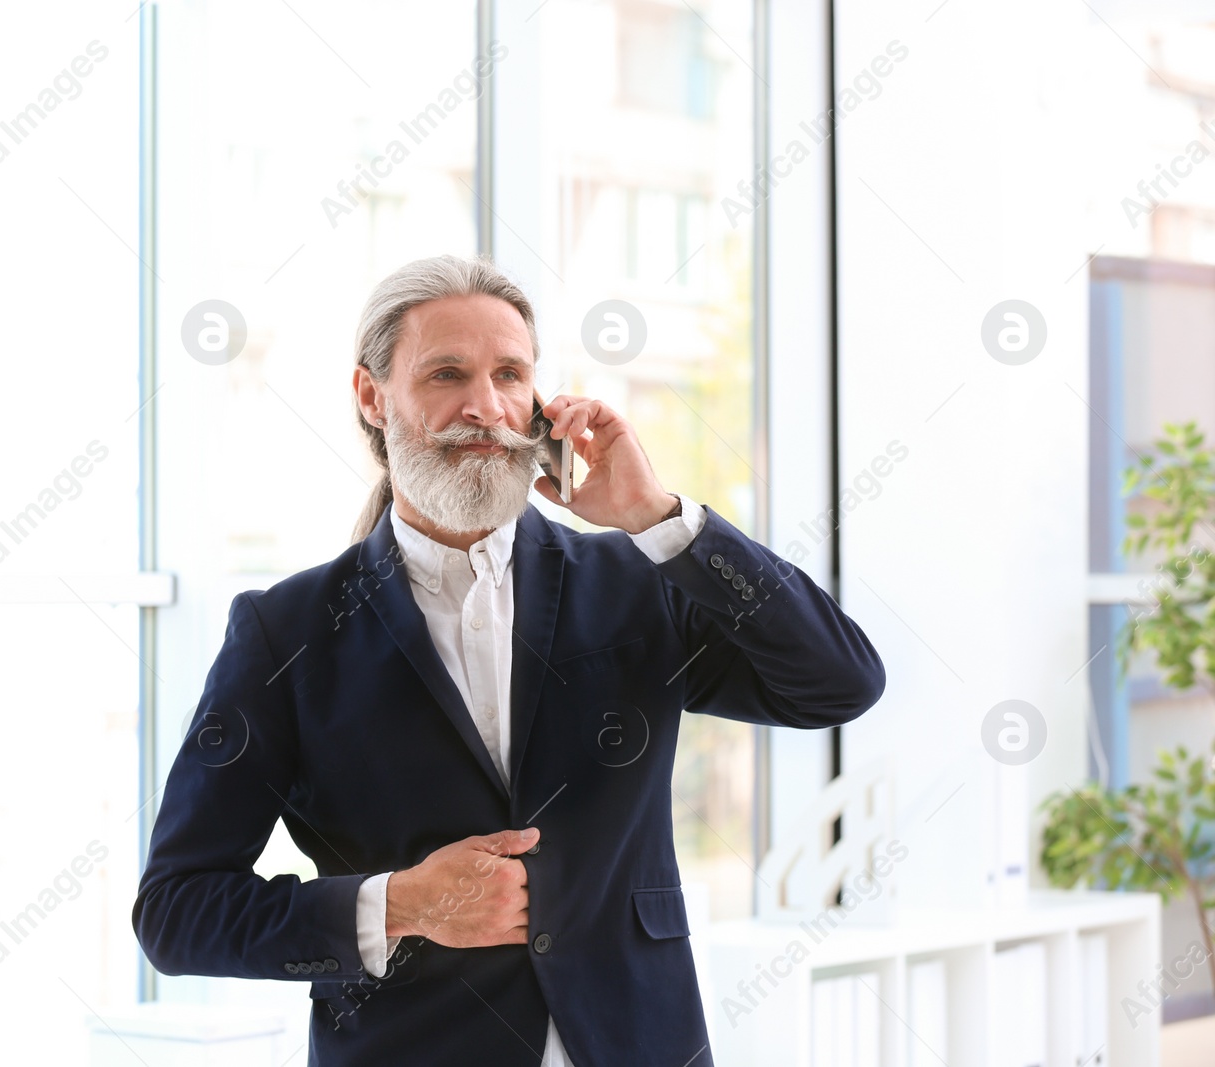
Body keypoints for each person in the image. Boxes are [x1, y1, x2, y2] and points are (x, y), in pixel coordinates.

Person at [132, 253, 885, 1066]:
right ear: (371, 396)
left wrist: (659, 517)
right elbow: (178, 910)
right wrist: (397, 906)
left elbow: (838, 680)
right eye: (446, 374)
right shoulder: (287, 632)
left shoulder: (637, 582)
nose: (484, 406)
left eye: (510, 374)